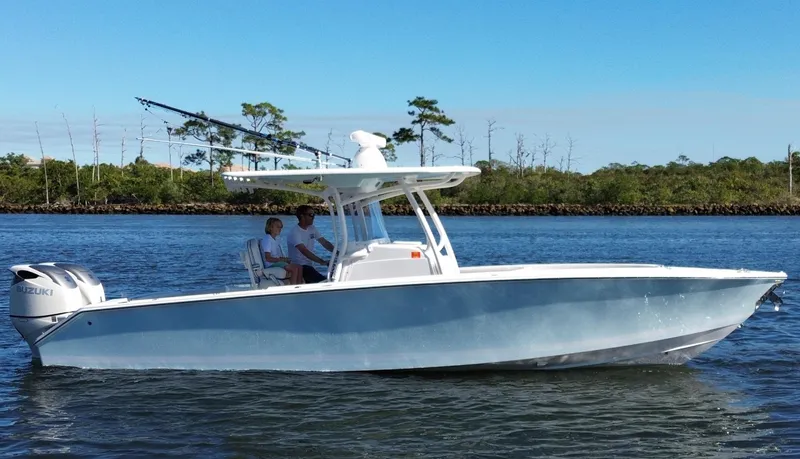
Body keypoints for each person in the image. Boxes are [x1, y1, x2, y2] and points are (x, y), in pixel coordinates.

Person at [287, 205, 334, 283]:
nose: (313, 217)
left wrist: (338, 253)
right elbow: (304, 250)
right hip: (300, 267)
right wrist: (321, 261)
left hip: (309, 266)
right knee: (324, 282)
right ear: (302, 216)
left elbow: (324, 242)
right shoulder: (295, 232)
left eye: (314, 215)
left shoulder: (312, 228)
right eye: (311, 215)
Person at [262, 217, 304, 285]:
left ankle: (299, 287)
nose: (280, 229)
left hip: (277, 263)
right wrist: (281, 260)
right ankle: (293, 289)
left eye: (281, 227)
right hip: (271, 264)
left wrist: (284, 259)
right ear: (270, 227)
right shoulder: (267, 239)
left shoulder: (276, 239)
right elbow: (268, 258)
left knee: (300, 267)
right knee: (295, 269)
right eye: (278, 227)